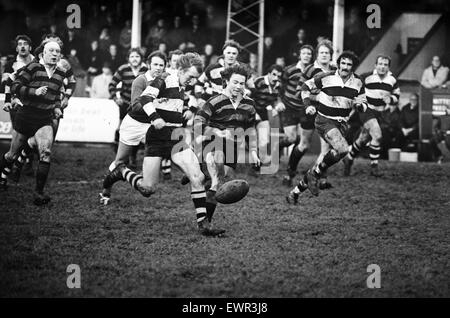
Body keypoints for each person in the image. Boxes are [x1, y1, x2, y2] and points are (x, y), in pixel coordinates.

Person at [101, 53, 224, 237]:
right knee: (147, 189)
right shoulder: (164, 79)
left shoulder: (183, 85)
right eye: (190, 77)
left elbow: (186, 101)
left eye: (195, 79)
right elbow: (144, 99)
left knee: (197, 178)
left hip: (175, 136)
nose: (192, 82)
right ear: (181, 70)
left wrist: (189, 110)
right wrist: (155, 117)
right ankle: (121, 172)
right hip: (157, 138)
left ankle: (203, 224)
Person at [287, 51, 367, 204]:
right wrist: (307, 105)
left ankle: (296, 192)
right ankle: (314, 175)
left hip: (342, 124)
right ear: (338, 64)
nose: (345, 67)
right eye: (343, 63)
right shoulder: (326, 77)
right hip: (324, 120)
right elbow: (304, 87)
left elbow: (364, 105)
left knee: (330, 154)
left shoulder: (358, 82)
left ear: (353, 67)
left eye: (349, 64)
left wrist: (359, 106)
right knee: (343, 149)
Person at [193, 64, 260, 233]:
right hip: (212, 142)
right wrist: (217, 131)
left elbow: (250, 130)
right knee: (216, 172)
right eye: (235, 82)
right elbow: (198, 124)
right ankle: (205, 225)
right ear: (226, 81)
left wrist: (253, 151)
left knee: (218, 183)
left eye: (242, 83)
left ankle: (206, 219)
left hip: (232, 147)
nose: (238, 86)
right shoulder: (214, 102)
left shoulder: (249, 104)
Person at [0, 41, 65, 205]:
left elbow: (57, 95)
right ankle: (3, 176)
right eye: (51, 51)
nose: (55, 54)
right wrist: (34, 92)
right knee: (11, 154)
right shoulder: (33, 67)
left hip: (44, 118)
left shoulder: (61, 72)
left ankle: (39, 193)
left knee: (46, 152)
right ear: (43, 52)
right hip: (26, 115)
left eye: (57, 51)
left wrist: (57, 107)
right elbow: (15, 85)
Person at [100, 51, 165, 205]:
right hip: (134, 123)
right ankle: (106, 189)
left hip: (151, 125)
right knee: (120, 161)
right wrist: (154, 104)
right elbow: (135, 106)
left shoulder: (165, 81)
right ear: (148, 65)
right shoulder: (140, 80)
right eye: (155, 64)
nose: (158, 67)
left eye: (161, 65)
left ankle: (144, 180)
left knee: (156, 153)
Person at [282, 40, 336, 188]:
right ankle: (290, 172)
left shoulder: (335, 70)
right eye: (321, 52)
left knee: (327, 146)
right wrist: (316, 97)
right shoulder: (310, 70)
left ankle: (320, 178)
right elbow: (300, 91)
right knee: (304, 145)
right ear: (317, 55)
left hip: (328, 113)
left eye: (327, 53)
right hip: (309, 111)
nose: (324, 55)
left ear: (331, 55)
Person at [343, 55, 400, 177]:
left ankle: (349, 158)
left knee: (363, 138)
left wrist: (391, 98)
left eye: (385, 64)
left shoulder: (392, 80)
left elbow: (397, 96)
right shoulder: (366, 76)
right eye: (380, 64)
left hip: (380, 113)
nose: (382, 67)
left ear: (388, 67)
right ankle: (374, 168)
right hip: (366, 110)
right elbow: (354, 87)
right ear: (375, 65)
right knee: (378, 136)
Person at [276, 44, 313, 186]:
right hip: (289, 108)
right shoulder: (289, 70)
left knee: (303, 143)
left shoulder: (313, 71)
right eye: (304, 53)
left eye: (309, 54)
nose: (306, 56)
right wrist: (279, 101)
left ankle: (291, 170)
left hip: (304, 109)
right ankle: (279, 146)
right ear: (299, 55)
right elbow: (279, 87)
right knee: (291, 138)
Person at [108, 48, 148, 166]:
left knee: (136, 131)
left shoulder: (146, 70)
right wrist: (116, 98)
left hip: (140, 105)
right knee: (123, 129)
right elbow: (112, 84)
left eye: (137, 56)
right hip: (125, 103)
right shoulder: (123, 69)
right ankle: (121, 156)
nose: (134, 59)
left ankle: (133, 157)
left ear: (141, 58)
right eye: (132, 56)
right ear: (128, 58)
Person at [251, 64, 283, 166]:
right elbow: (247, 98)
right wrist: (253, 112)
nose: (276, 78)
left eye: (278, 76)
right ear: (268, 74)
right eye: (274, 75)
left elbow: (276, 99)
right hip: (250, 112)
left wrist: (277, 107)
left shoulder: (279, 85)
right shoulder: (259, 82)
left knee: (264, 140)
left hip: (263, 113)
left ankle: (257, 163)